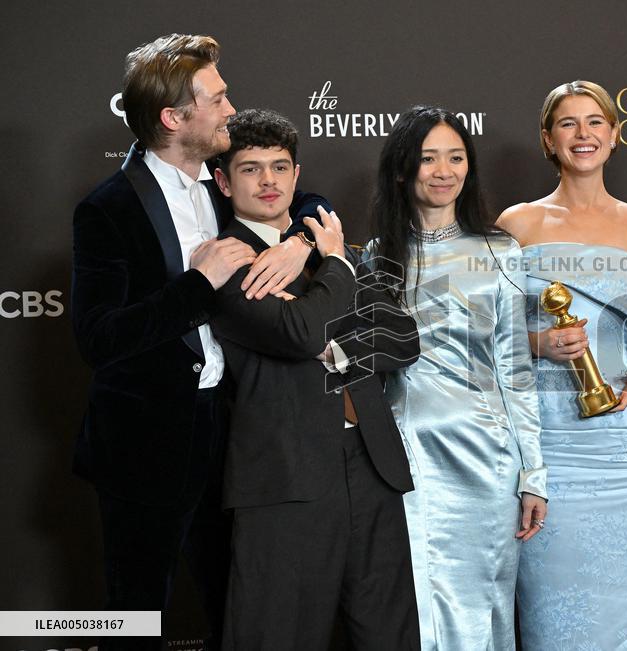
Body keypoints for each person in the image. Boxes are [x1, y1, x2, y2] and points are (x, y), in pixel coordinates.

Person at [70, 34, 318, 650]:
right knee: (134, 616)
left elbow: (304, 196)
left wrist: (300, 242)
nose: (232, 109)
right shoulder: (109, 208)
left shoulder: (218, 185)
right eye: (218, 98)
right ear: (175, 118)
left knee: (235, 610)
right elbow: (100, 339)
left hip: (229, 434)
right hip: (144, 446)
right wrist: (197, 285)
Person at [207, 108, 421, 650]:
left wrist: (333, 342)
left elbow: (402, 338)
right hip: (285, 476)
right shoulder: (225, 259)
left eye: (280, 167)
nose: (269, 181)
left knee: (387, 636)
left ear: (297, 175)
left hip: (373, 467)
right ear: (224, 181)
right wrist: (337, 275)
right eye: (251, 169)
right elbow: (299, 334)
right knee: (278, 635)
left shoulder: (328, 248)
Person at [498, 80, 627, 650]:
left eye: (595, 123)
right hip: (549, 443)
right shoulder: (516, 224)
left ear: (614, 136)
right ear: (548, 140)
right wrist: (539, 345)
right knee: (555, 618)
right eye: (568, 124)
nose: (583, 135)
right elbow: (489, 330)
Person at [366, 105, 547, 650]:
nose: (443, 171)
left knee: (483, 609)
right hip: (405, 463)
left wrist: (533, 472)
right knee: (416, 609)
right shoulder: (376, 259)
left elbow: (516, 370)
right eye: (428, 158)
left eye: (456, 157)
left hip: (486, 463)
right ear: (402, 170)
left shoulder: (499, 252)